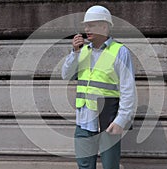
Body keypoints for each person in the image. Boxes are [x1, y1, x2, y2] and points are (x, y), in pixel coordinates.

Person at [61, 5, 137, 169]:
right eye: (85, 25)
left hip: (107, 121)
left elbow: (128, 90)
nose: (86, 29)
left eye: (91, 25)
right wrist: (74, 52)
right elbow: (65, 75)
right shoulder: (82, 51)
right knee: (84, 166)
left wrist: (121, 120)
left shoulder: (119, 51)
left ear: (104, 26)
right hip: (83, 121)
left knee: (110, 166)